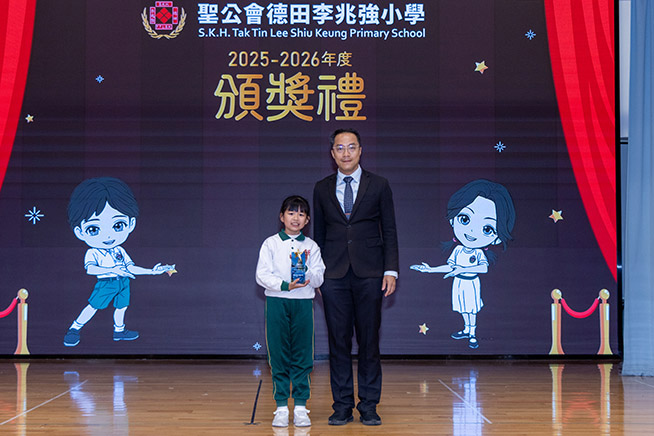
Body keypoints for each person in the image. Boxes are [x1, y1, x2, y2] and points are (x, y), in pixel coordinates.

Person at [313, 128, 399, 426]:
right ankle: (342, 406)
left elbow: (389, 230)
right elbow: (319, 234)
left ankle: (369, 405)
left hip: (370, 273)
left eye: (351, 147)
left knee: (369, 341)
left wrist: (390, 270)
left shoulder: (380, 185)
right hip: (333, 275)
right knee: (338, 342)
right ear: (332, 153)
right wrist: (318, 274)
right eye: (340, 148)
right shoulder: (321, 188)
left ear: (360, 150)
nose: (346, 153)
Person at [63, 177, 175, 347]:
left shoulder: (119, 250)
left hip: (123, 282)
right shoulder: (93, 252)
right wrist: (113, 269)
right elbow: (91, 269)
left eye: (118, 225)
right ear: (79, 232)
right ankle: (74, 329)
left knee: (122, 307)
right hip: (106, 283)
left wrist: (152, 271)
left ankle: (119, 331)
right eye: (93, 229)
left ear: (131, 224)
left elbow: (130, 267)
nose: (108, 236)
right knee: (93, 306)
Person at [410, 179, 516, 349]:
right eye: (465, 219)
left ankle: (472, 334)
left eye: (487, 229)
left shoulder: (478, 253)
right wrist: (430, 270)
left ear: (497, 238)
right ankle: (466, 329)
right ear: (453, 219)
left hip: (471, 283)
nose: (472, 231)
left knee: (472, 310)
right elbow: (450, 267)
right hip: (459, 283)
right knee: (463, 309)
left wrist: (462, 269)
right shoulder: (458, 250)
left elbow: (483, 267)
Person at [256, 195, 325, 428]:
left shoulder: (312, 247)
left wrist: (306, 273)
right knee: (279, 354)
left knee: (303, 354)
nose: (296, 218)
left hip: (303, 303)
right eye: (291, 212)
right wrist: (285, 285)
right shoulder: (271, 244)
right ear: (282, 216)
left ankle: (301, 406)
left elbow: (319, 277)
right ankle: (281, 407)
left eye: (301, 214)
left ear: (307, 220)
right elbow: (261, 275)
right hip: (277, 301)